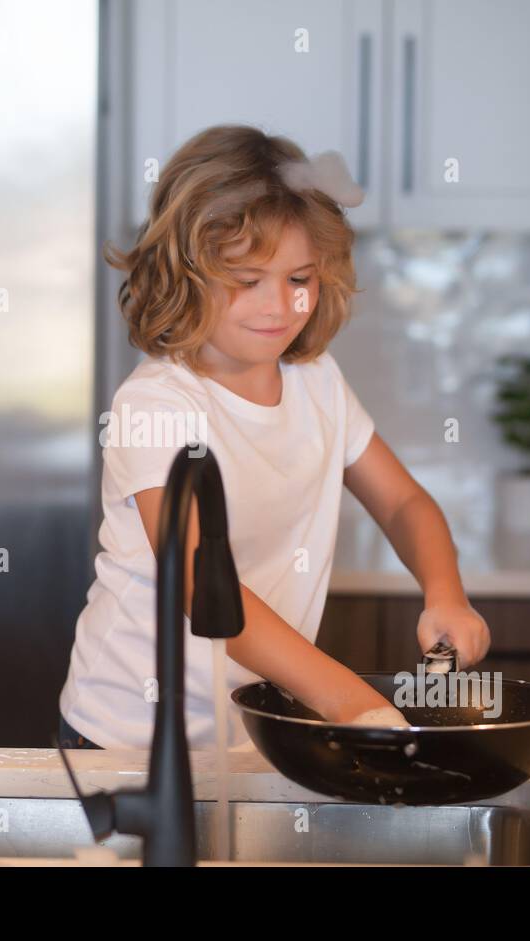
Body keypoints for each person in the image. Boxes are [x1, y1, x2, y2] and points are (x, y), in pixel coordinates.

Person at [58, 125, 490, 750]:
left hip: (248, 733)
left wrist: (447, 595)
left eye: (299, 279)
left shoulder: (317, 381)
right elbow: (204, 589)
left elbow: (402, 503)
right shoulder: (156, 404)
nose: (279, 306)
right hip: (126, 738)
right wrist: (350, 702)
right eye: (246, 279)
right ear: (184, 271)